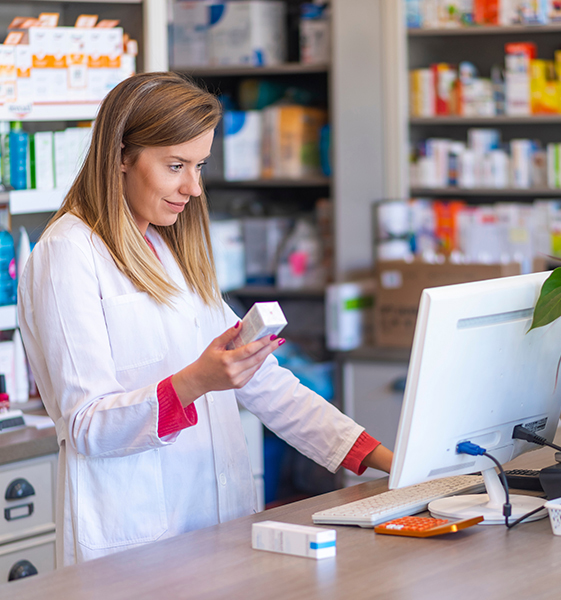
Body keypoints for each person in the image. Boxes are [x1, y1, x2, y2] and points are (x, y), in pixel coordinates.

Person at [17, 72, 393, 568]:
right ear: (121, 157)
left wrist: (388, 462)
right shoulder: (67, 254)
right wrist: (197, 381)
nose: (193, 187)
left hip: (214, 531)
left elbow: (265, 384)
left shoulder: (164, 247)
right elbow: (88, 424)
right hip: (134, 549)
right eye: (175, 166)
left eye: (199, 166)